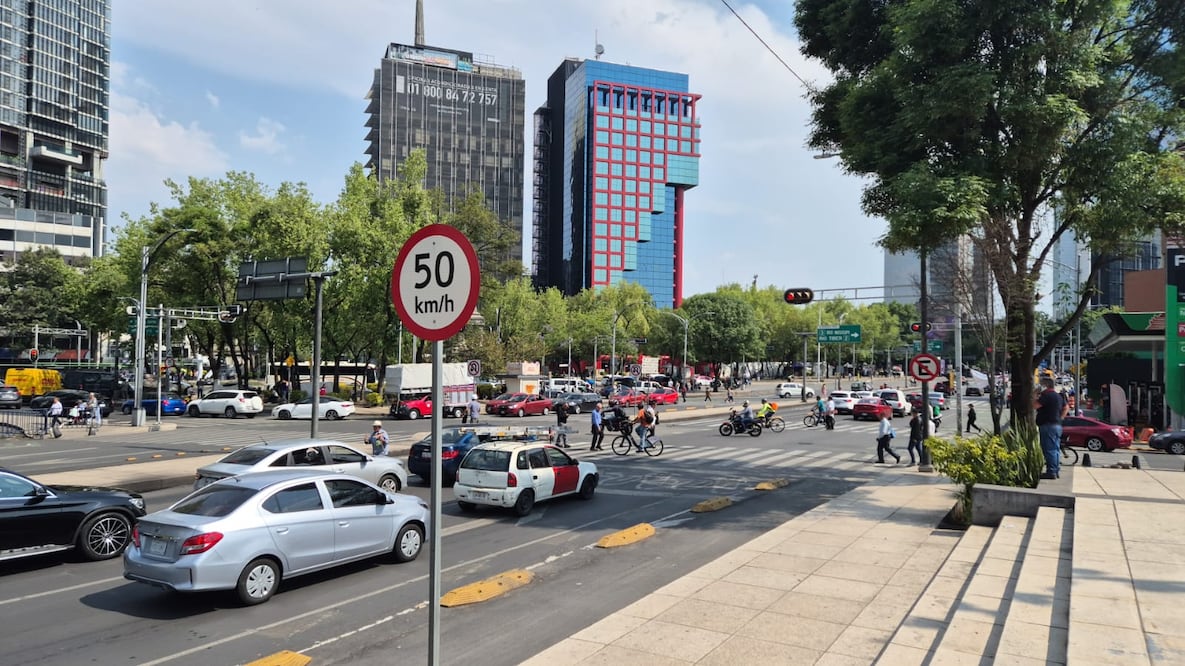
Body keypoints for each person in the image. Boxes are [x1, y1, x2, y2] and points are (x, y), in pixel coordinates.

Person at [1035, 377, 1068, 479]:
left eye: (1041, 384)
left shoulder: (1046, 395)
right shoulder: (1058, 396)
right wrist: (1060, 418)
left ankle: (1051, 471)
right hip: (1057, 425)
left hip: (1048, 425)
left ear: (1045, 385)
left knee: (1049, 449)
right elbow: (1066, 407)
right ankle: (1055, 470)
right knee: (1055, 448)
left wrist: (1034, 394)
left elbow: (1035, 405)